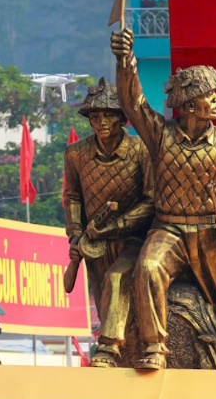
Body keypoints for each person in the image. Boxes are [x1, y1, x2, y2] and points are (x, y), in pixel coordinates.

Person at [111, 26, 216, 371]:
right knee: (147, 267)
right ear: (190, 104)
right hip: (169, 230)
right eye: (211, 95)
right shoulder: (160, 135)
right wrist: (125, 59)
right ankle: (155, 346)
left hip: (210, 233)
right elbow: (132, 103)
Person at [62, 78, 153, 365]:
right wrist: (75, 234)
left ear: (122, 119)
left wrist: (119, 225)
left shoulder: (141, 151)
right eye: (95, 116)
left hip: (134, 238)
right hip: (94, 241)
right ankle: (122, 355)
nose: (101, 122)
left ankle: (109, 348)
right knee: (103, 300)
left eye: (108, 116)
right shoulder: (76, 154)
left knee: (117, 279)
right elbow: (72, 196)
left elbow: (151, 200)